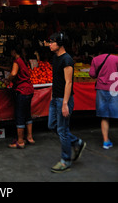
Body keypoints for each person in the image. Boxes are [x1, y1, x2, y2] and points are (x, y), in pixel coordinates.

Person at [48, 32, 86, 173]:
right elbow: (56, 80)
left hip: (64, 99)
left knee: (62, 130)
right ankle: (76, 142)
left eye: (52, 42)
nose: (49, 44)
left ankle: (65, 161)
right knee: (52, 125)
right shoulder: (55, 57)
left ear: (60, 43)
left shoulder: (67, 60)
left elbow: (69, 83)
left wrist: (64, 103)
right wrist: (52, 97)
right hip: (55, 98)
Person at [89, 43, 118, 149]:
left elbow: (92, 74)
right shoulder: (116, 59)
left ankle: (106, 141)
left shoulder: (96, 59)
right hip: (115, 89)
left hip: (101, 89)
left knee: (104, 116)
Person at [6, 43, 35, 148]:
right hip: (29, 90)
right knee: (27, 114)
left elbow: (13, 74)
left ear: (14, 51)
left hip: (22, 91)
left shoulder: (17, 61)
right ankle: (30, 137)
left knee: (20, 115)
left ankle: (20, 141)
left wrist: (7, 79)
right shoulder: (23, 60)